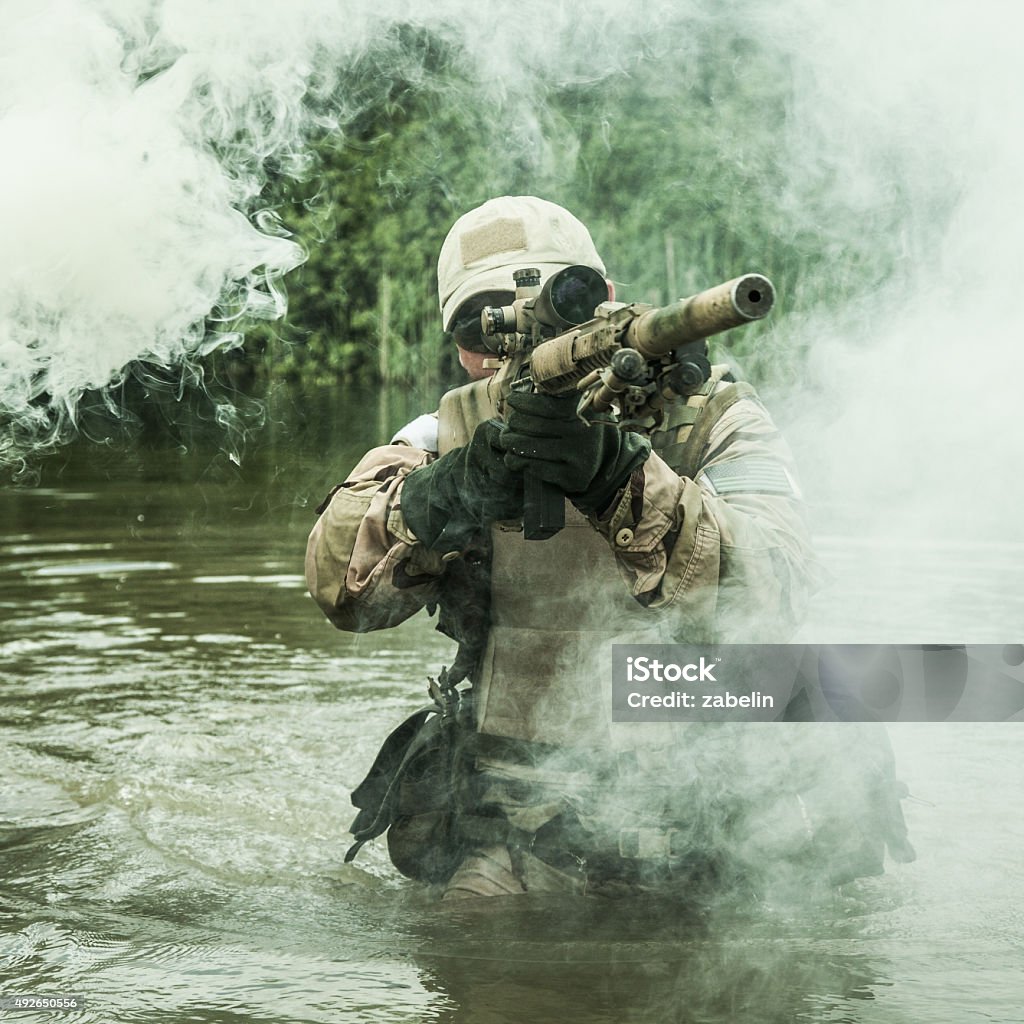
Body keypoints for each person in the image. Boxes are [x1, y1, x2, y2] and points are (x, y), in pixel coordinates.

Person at [306, 196, 912, 899]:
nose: (515, 342)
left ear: (605, 303)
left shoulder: (710, 421)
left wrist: (617, 478)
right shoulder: (446, 431)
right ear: (461, 344)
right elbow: (340, 589)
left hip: (718, 823)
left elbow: (776, 594)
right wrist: (444, 494)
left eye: (549, 305)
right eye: (483, 322)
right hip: (518, 826)